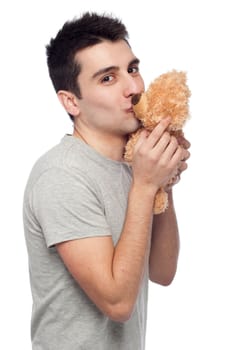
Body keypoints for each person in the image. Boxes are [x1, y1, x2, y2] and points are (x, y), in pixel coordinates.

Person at [23, 12, 190, 350]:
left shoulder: (135, 166)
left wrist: (163, 183)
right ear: (71, 101)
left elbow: (162, 271)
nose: (134, 88)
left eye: (131, 69)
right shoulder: (60, 175)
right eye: (107, 79)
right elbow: (118, 304)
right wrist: (145, 186)